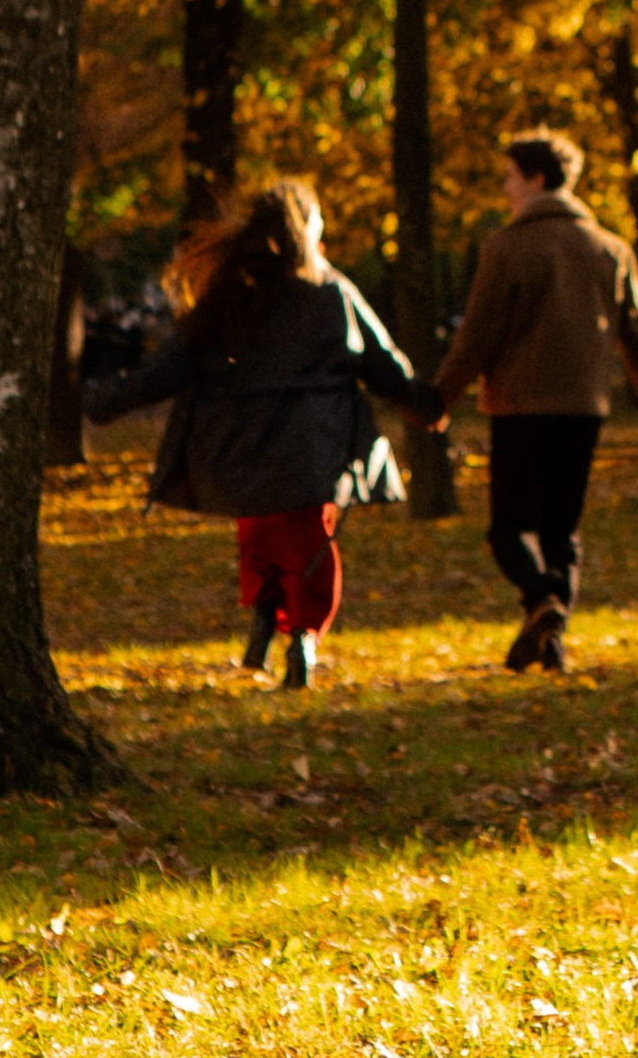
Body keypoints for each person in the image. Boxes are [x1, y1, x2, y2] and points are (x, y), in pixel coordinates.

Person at [90, 177, 421, 687]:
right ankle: (303, 640)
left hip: (238, 451)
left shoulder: (230, 296)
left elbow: (171, 368)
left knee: (263, 538)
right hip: (314, 448)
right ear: (306, 231)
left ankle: (265, 626)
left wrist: (103, 402)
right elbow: (381, 362)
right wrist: (428, 405)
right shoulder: (330, 291)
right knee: (309, 546)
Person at [415, 126, 638, 674]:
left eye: (511, 177)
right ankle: (549, 640)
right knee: (563, 530)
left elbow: (478, 336)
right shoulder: (611, 249)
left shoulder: (507, 247)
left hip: (520, 405)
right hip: (584, 407)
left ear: (536, 178)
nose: (506, 188)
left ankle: (542, 602)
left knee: (509, 529)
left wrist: (441, 397)